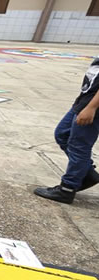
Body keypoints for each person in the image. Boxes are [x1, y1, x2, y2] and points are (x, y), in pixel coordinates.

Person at [33, 57, 99, 203]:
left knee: (79, 145)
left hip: (92, 107)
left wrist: (91, 107)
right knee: (62, 134)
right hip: (84, 101)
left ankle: (67, 189)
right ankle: (87, 173)